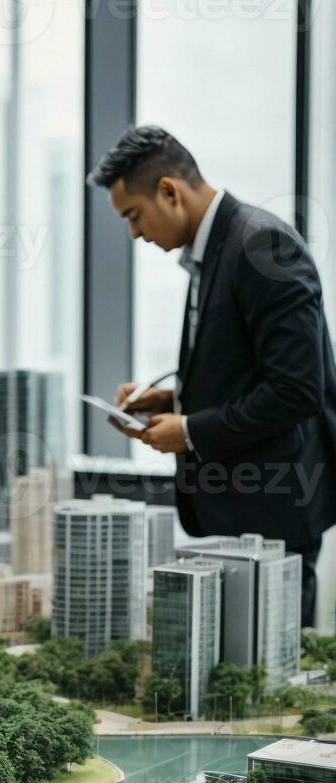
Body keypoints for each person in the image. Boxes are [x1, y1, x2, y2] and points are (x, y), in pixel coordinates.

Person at [88, 125, 336, 626]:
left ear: (168, 191)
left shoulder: (262, 245)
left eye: (133, 216)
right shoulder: (218, 250)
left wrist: (191, 432)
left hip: (273, 517)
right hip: (243, 516)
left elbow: (298, 389)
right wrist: (168, 400)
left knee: (267, 688)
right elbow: (244, 368)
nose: (134, 233)